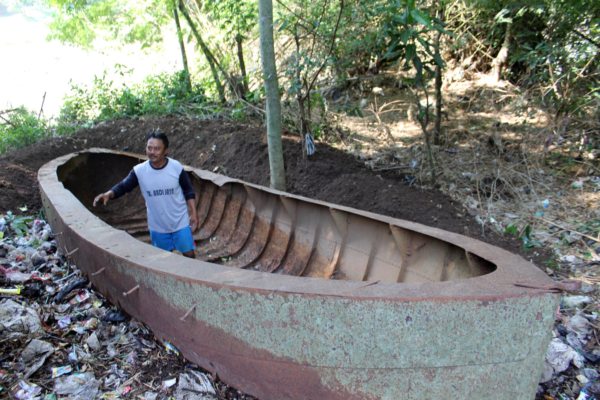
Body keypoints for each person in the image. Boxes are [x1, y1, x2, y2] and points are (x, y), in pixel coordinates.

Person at [93, 131, 198, 258]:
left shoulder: (176, 167)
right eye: (149, 148)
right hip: (158, 226)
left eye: (157, 149)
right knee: (163, 260)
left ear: (166, 151)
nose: (152, 152)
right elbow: (124, 186)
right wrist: (109, 194)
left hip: (180, 222)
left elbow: (188, 191)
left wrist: (193, 213)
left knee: (189, 255)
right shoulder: (140, 171)